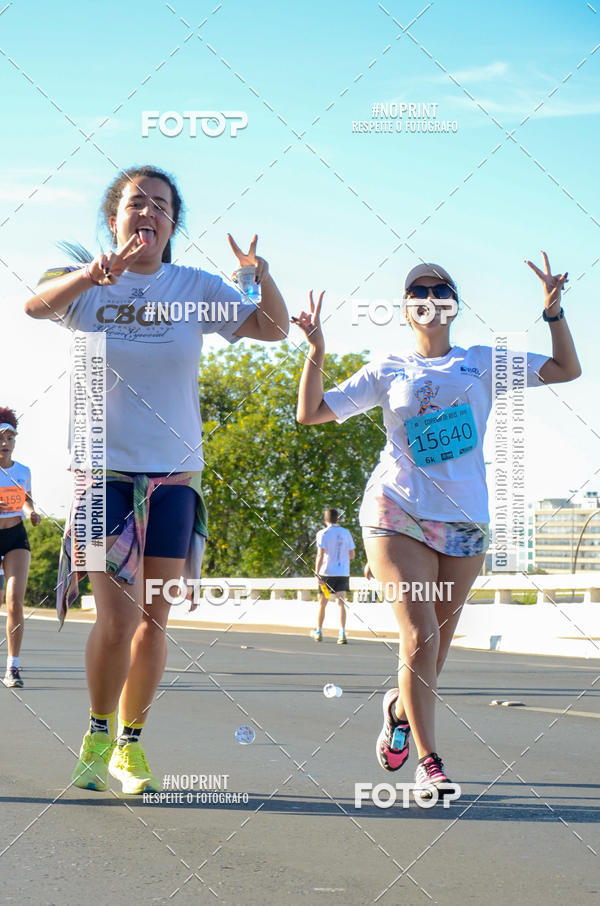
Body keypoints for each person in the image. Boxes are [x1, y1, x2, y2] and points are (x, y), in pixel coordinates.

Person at [25, 165, 288, 794]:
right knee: (114, 618)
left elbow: (271, 329)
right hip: (101, 471)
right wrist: (92, 273)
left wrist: (265, 277)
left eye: (161, 206)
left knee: (154, 620)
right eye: (135, 203)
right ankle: (95, 730)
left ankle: (130, 746)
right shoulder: (86, 286)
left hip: (173, 474)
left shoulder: (194, 285)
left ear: (173, 223)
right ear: (114, 217)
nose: (148, 213)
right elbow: (34, 307)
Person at [294, 255, 580, 796]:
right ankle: (431, 763)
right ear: (405, 309)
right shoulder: (387, 368)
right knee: (420, 637)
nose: (428, 297)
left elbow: (567, 370)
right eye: (417, 292)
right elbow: (312, 413)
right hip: (396, 508)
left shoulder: (481, 362)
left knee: (436, 650)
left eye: (439, 289)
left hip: (465, 518)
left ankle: (399, 711)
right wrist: (316, 352)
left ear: (453, 304)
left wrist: (553, 312)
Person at [0, 410, 42, 688]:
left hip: (16, 537)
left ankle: (12, 668)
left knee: (14, 601)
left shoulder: (22, 471)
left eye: (10, 436)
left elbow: (26, 500)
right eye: (1, 437)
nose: (5, 442)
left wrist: (31, 513)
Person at [311, 507, 355, 644]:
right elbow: (352, 555)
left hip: (326, 573)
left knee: (322, 603)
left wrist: (317, 573)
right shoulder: (346, 533)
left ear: (325, 520)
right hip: (342, 573)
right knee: (341, 603)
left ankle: (318, 631)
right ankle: (342, 633)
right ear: (338, 519)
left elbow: (320, 554)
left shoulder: (322, 533)